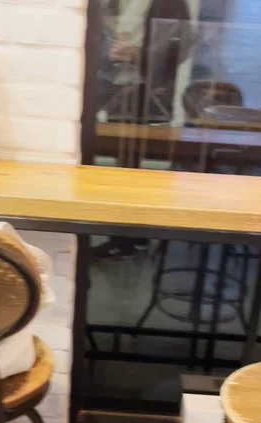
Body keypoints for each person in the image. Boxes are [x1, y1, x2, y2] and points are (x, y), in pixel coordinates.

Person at [95, 0, 192, 260]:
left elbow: (180, 48)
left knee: (133, 170)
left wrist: (138, 53)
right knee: (123, 167)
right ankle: (127, 237)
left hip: (146, 95)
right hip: (115, 89)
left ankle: (130, 238)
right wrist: (108, 54)